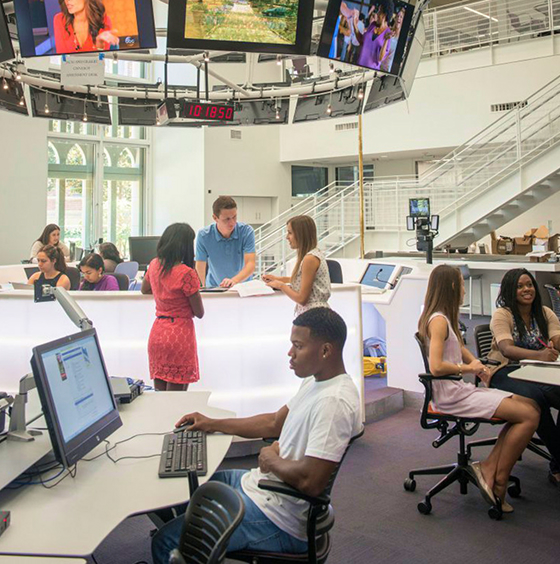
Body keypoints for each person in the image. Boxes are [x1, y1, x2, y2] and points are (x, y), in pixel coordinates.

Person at [151, 308, 361, 563]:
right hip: (264, 487)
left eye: (298, 346)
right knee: (188, 490)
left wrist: (271, 458)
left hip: (279, 518)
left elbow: (311, 482)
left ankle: (190, 545)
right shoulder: (315, 381)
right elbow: (274, 423)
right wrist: (212, 424)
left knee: (165, 541)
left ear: (325, 351)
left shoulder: (334, 402)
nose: (290, 353)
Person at [418, 265, 539, 511]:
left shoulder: (444, 317)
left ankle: (489, 467)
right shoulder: (438, 321)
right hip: (452, 396)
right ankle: (499, 479)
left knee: (528, 405)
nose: (464, 290)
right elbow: (437, 367)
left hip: (459, 391)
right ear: (453, 286)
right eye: (462, 285)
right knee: (528, 415)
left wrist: (478, 366)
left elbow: (461, 350)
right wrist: (469, 369)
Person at [487, 268, 560, 487]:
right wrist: (540, 355)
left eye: (529, 285)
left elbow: (557, 338)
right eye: (520, 286)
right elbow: (507, 349)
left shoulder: (545, 312)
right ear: (510, 290)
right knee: (536, 399)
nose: (526, 289)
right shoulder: (503, 314)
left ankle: (557, 463)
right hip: (504, 370)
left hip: (538, 370)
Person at [141, 223, 204, 392]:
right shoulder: (186, 273)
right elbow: (199, 312)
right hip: (179, 334)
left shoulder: (154, 265)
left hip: (158, 332)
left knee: (160, 396)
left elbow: (144, 289)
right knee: (176, 399)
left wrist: (162, 292)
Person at [263, 216, 331, 316]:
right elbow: (303, 280)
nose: (287, 237)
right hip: (314, 314)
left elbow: (302, 299)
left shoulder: (310, 259)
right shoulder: (313, 255)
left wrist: (281, 285)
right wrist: (278, 279)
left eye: (290, 233)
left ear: (301, 234)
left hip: (314, 316)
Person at [195, 196, 256, 288]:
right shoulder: (204, 236)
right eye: (227, 219)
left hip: (242, 287)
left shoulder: (246, 232)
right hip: (215, 287)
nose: (232, 223)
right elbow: (200, 265)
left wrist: (234, 281)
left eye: (234, 217)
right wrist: (201, 289)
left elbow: (250, 264)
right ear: (215, 218)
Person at [53, 0, 119, 54]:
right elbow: (63, 60)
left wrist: (99, 44)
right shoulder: (60, 20)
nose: (67, 1)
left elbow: (101, 61)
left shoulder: (102, 21)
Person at [354, 0, 394, 71]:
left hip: (371, 71)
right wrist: (355, 25)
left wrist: (386, 40)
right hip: (359, 65)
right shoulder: (372, 25)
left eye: (379, 11)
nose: (377, 14)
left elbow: (380, 58)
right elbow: (361, 41)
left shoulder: (388, 33)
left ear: (384, 15)